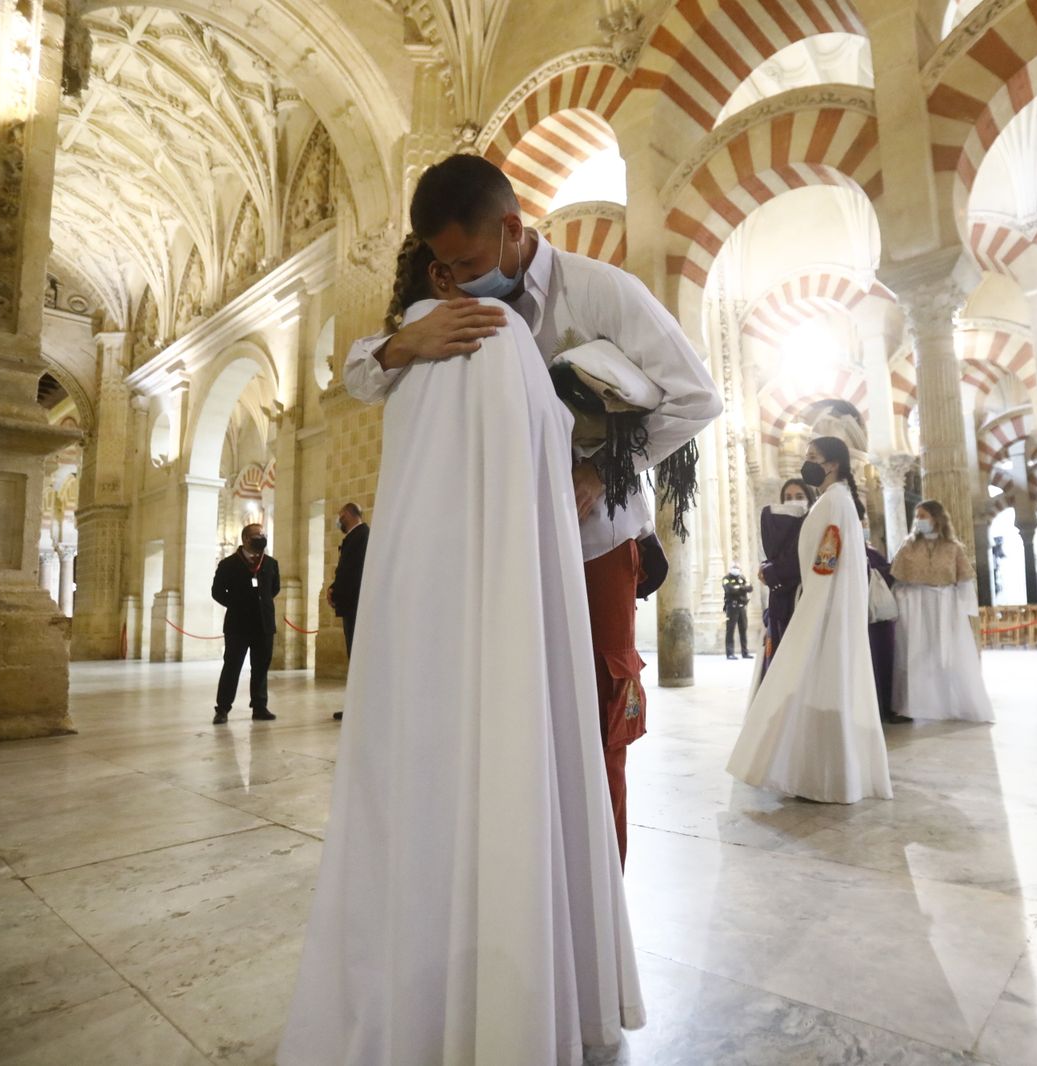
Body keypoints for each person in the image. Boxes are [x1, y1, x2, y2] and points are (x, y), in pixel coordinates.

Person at [279, 237, 642, 1066]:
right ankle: (521, 989)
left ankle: (418, 984)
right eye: (477, 254)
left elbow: (362, 374)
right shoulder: (492, 335)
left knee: (419, 780)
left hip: (424, 598)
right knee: (512, 763)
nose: (498, 268)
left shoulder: (424, 344)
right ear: (446, 272)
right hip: (504, 585)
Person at [342, 154, 721, 863]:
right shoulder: (457, 302)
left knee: (596, 719)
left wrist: (599, 469)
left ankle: (599, 890)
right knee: (512, 717)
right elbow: (359, 377)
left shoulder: (601, 291)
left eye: (469, 260)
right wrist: (402, 343)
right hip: (496, 555)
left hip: (591, 543)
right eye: (445, 264)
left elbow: (697, 398)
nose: (459, 276)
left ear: (513, 229)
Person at [726, 437, 893, 804]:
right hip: (826, 601)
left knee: (815, 681)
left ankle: (823, 777)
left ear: (832, 464)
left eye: (813, 457)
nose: (807, 463)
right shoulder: (837, 500)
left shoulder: (834, 501)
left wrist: (812, 604)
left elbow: (826, 561)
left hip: (825, 605)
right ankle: (819, 774)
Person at [891, 500, 994, 723]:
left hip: (946, 605)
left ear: (936, 518)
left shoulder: (952, 548)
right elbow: (898, 581)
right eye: (917, 516)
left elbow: (965, 581)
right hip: (916, 606)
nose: (918, 520)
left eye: (923, 516)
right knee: (916, 653)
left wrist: (964, 608)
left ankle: (955, 704)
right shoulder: (908, 546)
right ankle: (911, 706)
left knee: (948, 654)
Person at [211, 523, 279, 724]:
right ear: (246, 539)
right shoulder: (228, 564)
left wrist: (261, 604)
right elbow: (217, 592)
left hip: (263, 624)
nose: (262, 537)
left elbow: (274, 589)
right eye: (257, 535)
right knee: (232, 667)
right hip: (238, 625)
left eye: (263, 534)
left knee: (261, 667)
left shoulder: (270, 563)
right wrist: (236, 604)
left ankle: (259, 706)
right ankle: (223, 708)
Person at [755, 479, 814, 680]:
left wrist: (771, 572)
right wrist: (768, 567)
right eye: (788, 497)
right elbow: (779, 556)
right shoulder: (776, 525)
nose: (793, 501)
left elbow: (799, 561)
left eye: (799, 496)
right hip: (779, 603)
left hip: (802, 599)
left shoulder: (812, 524)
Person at [326, 502, 369, 722]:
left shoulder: (361, 536)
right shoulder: (355, 536)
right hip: (351, 604)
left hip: (355, 605)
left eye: (341, 516)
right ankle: (355, 706)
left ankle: (359, 707)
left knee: (358, 657)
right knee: (354, 657)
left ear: (350, 515)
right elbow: (344, 571)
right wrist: (333, 588)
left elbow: (354, 574)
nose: (339, 521)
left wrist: (339, 595)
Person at [865, 537, 912, 724]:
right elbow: (885, 575)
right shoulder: (861, 551)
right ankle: (884, 707)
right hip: (873, 620)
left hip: (877, 619)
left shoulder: (869, 550)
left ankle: (886, 705)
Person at [722, 564, 753, 659]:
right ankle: (730, 653)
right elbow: (729, 590)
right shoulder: (726, 578)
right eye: (734, 568)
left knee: (743, 629)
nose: (736, 569)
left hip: (742, 606)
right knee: (730, 630)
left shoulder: (742, 578)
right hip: (732, 607)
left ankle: (745, 652)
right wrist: (742, 588)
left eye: (737, 568)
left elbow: (750, 588)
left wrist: (739, 588)